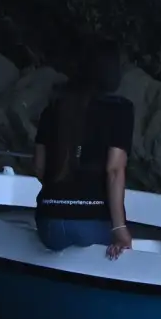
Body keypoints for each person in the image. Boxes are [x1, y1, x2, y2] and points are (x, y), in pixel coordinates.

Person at [32, 48, 138, 258]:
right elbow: (114, 171)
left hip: (48, 224)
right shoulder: (120, 110)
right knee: (120, 241)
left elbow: (38, 167)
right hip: (88, 225)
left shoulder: (54, 108)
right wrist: (119, 229)